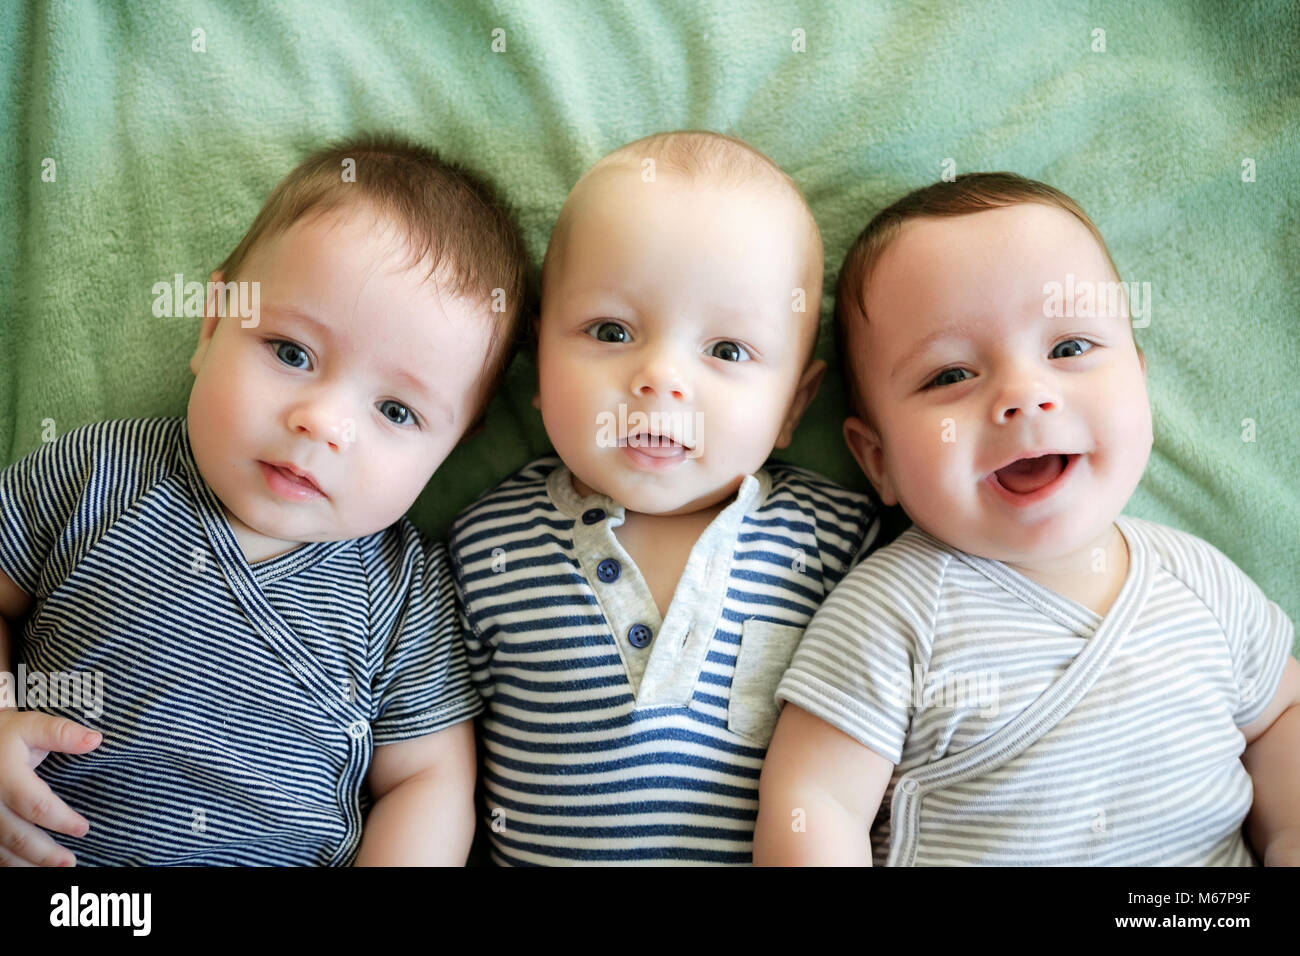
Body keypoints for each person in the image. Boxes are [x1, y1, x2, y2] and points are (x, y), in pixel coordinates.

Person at [0, 133, 528, 865]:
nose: (323, 423)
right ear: (212, 322)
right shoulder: (98, 472)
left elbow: (429, 780)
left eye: (396, 412)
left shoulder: (403, 590)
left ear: (449, 452)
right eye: (291, 353)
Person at [754, 172, 1300, 866]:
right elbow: (816, 803)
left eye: (1069, 349)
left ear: (1138, 379)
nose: (1024, 396)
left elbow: (1281, 716)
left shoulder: (1202, 584)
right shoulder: (894, 613)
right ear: (877, 458)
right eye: (950, 375)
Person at [449, 130, 881, 865]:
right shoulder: (483, 543)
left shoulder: (841, 542)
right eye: (611, 331)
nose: (661, 378)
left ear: (792, 406)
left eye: (727, 351)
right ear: (537, 358)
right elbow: (435, 756)